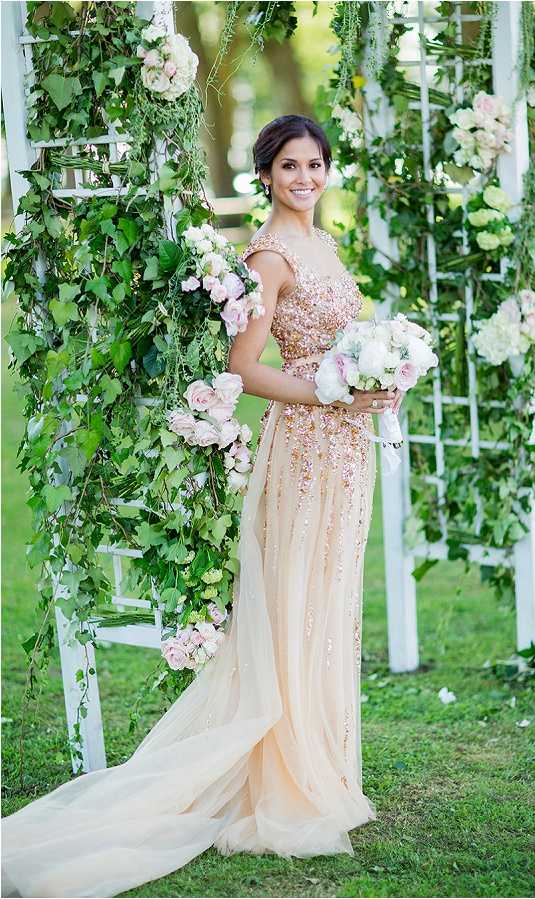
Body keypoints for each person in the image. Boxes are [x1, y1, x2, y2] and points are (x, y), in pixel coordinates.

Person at [1, 114, 404, 899]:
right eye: (289, 167)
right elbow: (244, 367)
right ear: (266, 175)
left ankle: (319, 759)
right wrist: (329, 391)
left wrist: (370, 381)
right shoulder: (269, 256)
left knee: (329, 602)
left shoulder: (325, 243)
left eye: (315, 165)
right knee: (293, 606)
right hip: (307, 447)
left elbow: (344, 343)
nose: (305, 178)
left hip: (347, 451)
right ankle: (284, 779)